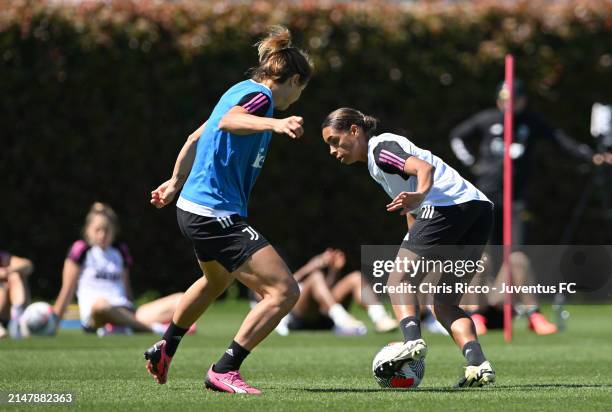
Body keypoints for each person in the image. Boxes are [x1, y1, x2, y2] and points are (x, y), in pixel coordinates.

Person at [144, 26, 313, 394]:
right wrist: (277, 123)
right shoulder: (260, 97)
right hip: (212, 212)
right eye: (300, 89)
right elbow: (228, 122)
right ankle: (225, 369)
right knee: (284, 291)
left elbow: (195, 136)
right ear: (293, 80)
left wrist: (175, 182)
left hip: (192, 207)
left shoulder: (236, 90)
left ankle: (165, 346)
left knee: (216, 281)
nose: (297, 99)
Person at [321, 107, 495, 388]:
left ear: (354, 130)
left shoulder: (379, 149)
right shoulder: (377, 161)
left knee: (397, 280)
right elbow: (412, 212)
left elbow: (423, 170)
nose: (332, 151)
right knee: (444, 304)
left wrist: (420, 194)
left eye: (333, 141)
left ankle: (412, 342)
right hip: (479, 210)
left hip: (446, 207)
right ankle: (478, 364)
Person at [449, 79, 611, 246]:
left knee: (515, 248)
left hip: (516, 197)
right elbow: (457, 136)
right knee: (486, 246)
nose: (509, 105)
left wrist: (590, 155)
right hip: (488, 194)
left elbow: (559, 139)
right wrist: (472, 163)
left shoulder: (531, 122)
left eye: (514, 100)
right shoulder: (487, 119)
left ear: (523, 100)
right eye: (504, 101)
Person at [52, 202, 186, 336]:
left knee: (181, 299)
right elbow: (67, 291)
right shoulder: (81, 250)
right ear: (87, 230)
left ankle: (123, 326)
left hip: (125, 312)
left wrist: (132, 309)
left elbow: (126, 290)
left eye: (107, 230)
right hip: (96, 316)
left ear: (114, 231)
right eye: (97, 230)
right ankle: (152, 329)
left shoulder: (120, 251)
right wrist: (54, 322)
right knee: (101, 305)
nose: (102, 235)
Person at [255, 249, 398, 336]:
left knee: (355, 277)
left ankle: (380, 317)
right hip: (299, 318)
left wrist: (334, 271)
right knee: (316, 276)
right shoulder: (261, 276)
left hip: (326, 314)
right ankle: (343, 319)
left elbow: (324, 292)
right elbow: (280, 292)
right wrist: (309, 267)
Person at [0, 250, 33, 339]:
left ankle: (18, 314)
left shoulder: (3, 257)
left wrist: (7, 270)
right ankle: (18, 317)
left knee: (14, 275)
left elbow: (27, 265)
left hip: (6, 316)